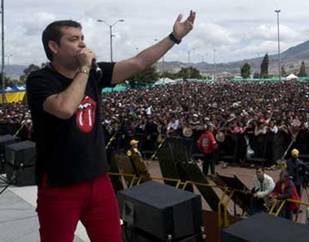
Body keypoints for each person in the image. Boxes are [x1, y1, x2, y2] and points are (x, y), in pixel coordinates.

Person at [26, 13, 195, 242]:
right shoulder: (40, 80)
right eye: (74, 39)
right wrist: (84, 69)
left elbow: (139, 62)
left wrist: (174, 37)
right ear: (53, 46)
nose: (83, 43)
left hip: (98, 180)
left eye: (82, 37)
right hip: (60, 185)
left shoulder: (96, 74)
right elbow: (65, 108)